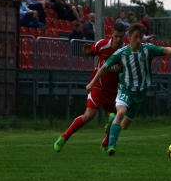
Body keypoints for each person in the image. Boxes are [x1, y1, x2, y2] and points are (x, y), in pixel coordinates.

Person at [86, 23, 171, 156]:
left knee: (124, 125)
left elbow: (164, 50)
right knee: (120, 113)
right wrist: (92, 83)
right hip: (125, 88)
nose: (138, 40)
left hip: (140, 92)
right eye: (136, 37)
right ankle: (111, 147)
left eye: (141, 37)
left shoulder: (147, 49)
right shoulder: (121, 53)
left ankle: (111, 121)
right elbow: (104, 67)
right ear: (130, 37)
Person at [54, 23, 127, 153]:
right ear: (112, 34)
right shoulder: (103, 45)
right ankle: (64, 137)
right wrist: (86, 53)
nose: (118, 40)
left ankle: (105, 143)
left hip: (114, 90)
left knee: (117, 117)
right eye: (116, 36)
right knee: (88, 115)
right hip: (98, 85)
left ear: (124, 36)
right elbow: (91, 52)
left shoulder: (126, 52)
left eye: (121, 37)